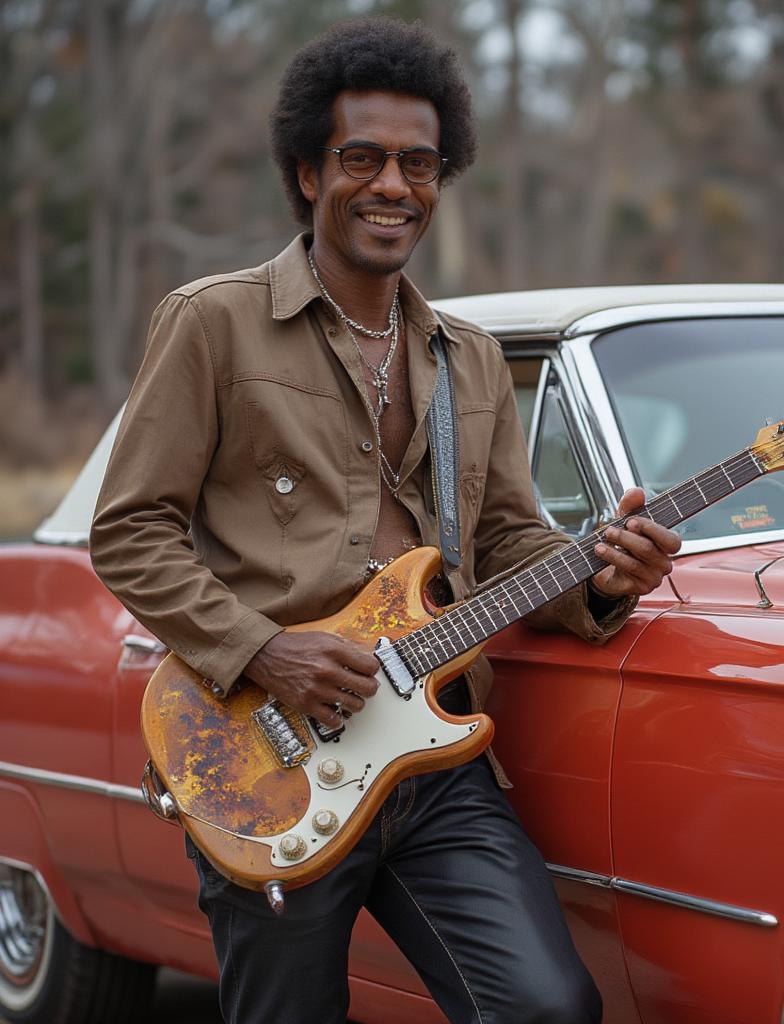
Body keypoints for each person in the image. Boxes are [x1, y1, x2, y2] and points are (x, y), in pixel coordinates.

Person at [90, 17, 679, 1024]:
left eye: (419, 163)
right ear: (309, 174)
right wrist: (265, 650)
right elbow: (130, 529)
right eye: (361, 159)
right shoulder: (213, 322)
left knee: (547, 1006)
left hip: (434, 760)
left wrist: (599, 576)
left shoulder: (469, 358)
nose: (394, 186)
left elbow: (503, 540)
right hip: (264, 753)